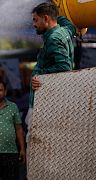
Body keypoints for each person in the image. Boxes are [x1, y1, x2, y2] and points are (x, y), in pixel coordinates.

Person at [26, 2, 76, 141]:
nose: (34, 24)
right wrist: (56, 5)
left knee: (35, 142)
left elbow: (64, 66)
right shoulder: (66, 30)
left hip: (44, 103)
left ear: (46, 19)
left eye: (36, 20)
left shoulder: (53, 38)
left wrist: (40, 75)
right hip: (55, 100)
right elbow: (69, 24)